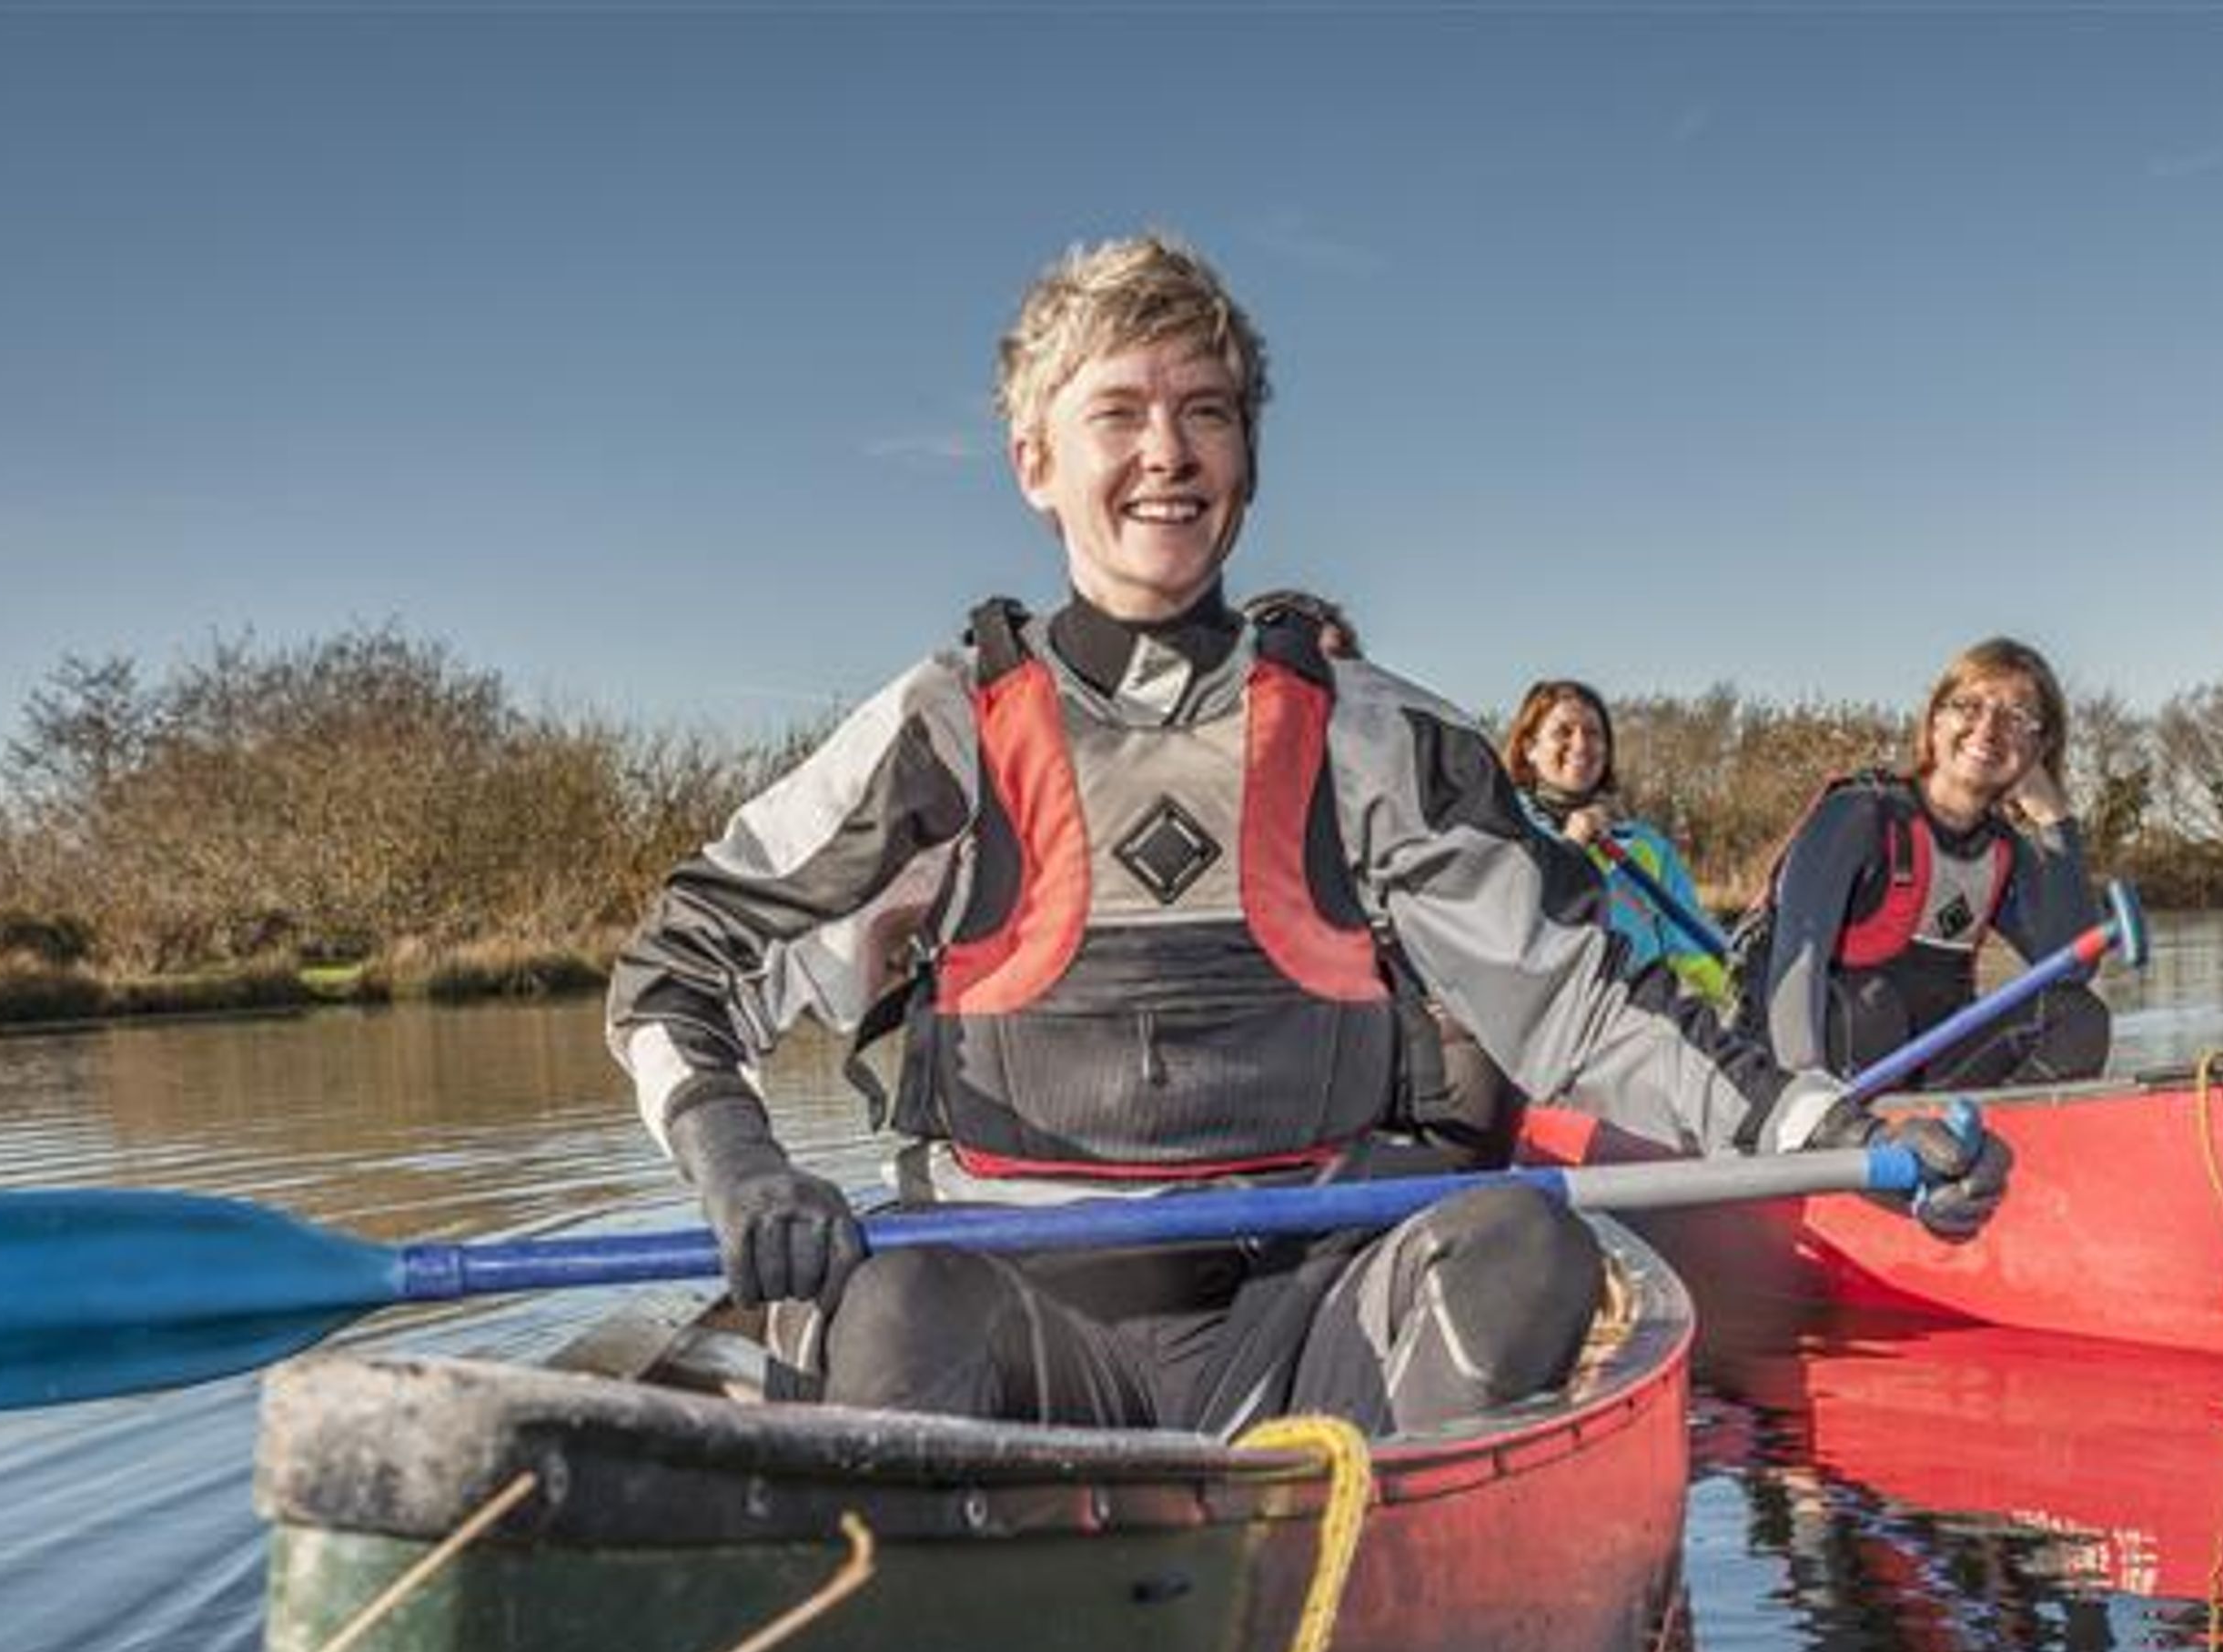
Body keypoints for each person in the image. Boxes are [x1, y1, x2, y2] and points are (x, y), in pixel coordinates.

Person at [606, 232, 2010, 1440]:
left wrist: (1828, 1124)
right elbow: (676, 977)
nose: (1168, 453)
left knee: (1529, 1243)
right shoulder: (940, 732)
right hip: (1019, 1322)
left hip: (1312, 1318)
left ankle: (1392, 1604)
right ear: (1034, 460)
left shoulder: (1369, 733)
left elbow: (1586, 1002)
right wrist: (739, 1161)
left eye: (1206, 414)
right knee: (890, 1304)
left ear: (1249, 458)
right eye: (1120, 415)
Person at [1741, 638, 2112, 1090]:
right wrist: (1805, 1101)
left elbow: (2073, 967)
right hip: (1822, 1075)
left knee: (2079, 1017)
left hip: (1932, 1080)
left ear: (2040, 745)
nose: (1988, 729)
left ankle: (1999, 1140)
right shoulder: (1857, 815)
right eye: (1968, 706)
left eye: (2016, 717)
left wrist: (2057, 823)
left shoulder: (2003, 852)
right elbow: (1795, 972)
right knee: (1875, 1006)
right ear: (1936, 721)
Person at [1502, 680, 1733, 1007]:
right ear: (1529, 748)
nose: (1581, 744)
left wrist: (1738, 998)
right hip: (1543, 1025)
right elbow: (1512, 934)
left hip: (1635, 1023)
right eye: (1563, 732)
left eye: (1594, 733)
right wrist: (1573, 847)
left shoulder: (1647, 846)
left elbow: (1691, 948)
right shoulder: (1503, 834)